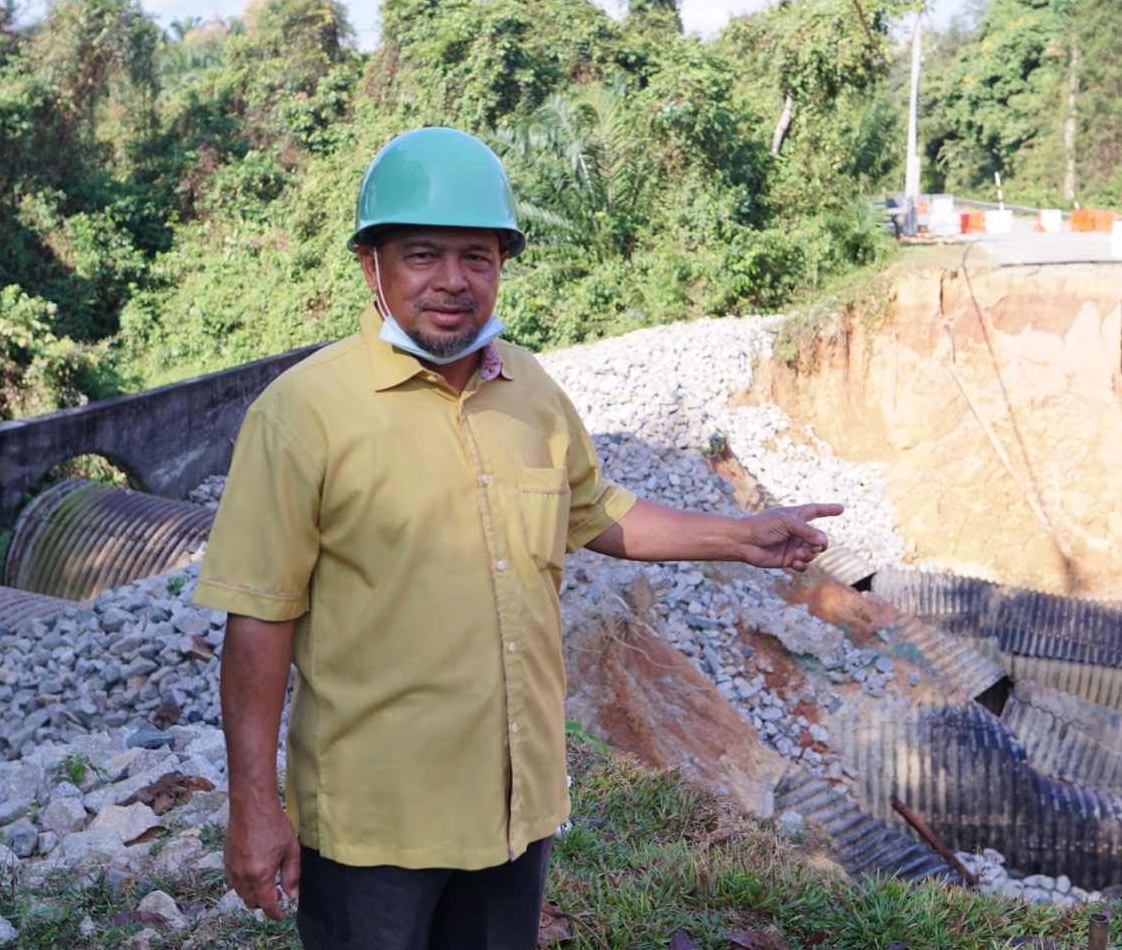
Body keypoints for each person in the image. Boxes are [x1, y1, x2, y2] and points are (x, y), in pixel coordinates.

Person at [192, 126, 843, 950]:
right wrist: (253, 802)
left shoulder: (529, 388)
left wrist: (741, 536)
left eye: (477, 257)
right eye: (422, 255)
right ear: (371, 266)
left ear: (501, 265)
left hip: (513, 806)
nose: (452, 281)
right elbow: (259, 614)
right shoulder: (302, 414)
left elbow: (594, 512)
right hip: (373, 821)